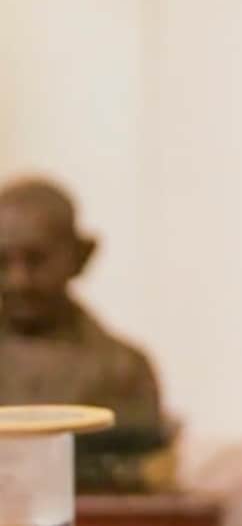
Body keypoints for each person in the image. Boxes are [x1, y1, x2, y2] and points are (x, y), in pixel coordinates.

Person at [0, 177, 174, 493]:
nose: (19, 280)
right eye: (2, 262)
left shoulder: (123, 369)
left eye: (36, 260)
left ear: (81, 255)